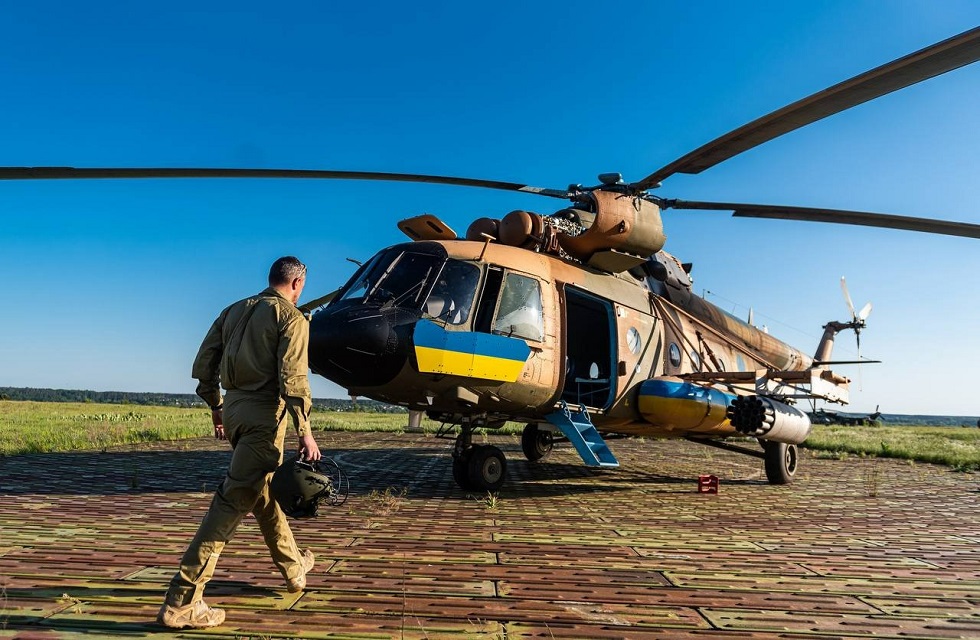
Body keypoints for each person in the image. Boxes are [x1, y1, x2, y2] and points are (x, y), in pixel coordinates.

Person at [158, 256, 322, 629]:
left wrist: (217, 408)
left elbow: (204, 365)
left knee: (261, 494)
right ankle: (183, 599)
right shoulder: (292, 319)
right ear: (297, 284)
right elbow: (294, 378)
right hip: (265, 418)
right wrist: (306, 431)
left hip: (234, 412)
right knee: (231, 502)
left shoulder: (233, 310)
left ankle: (294, 567)